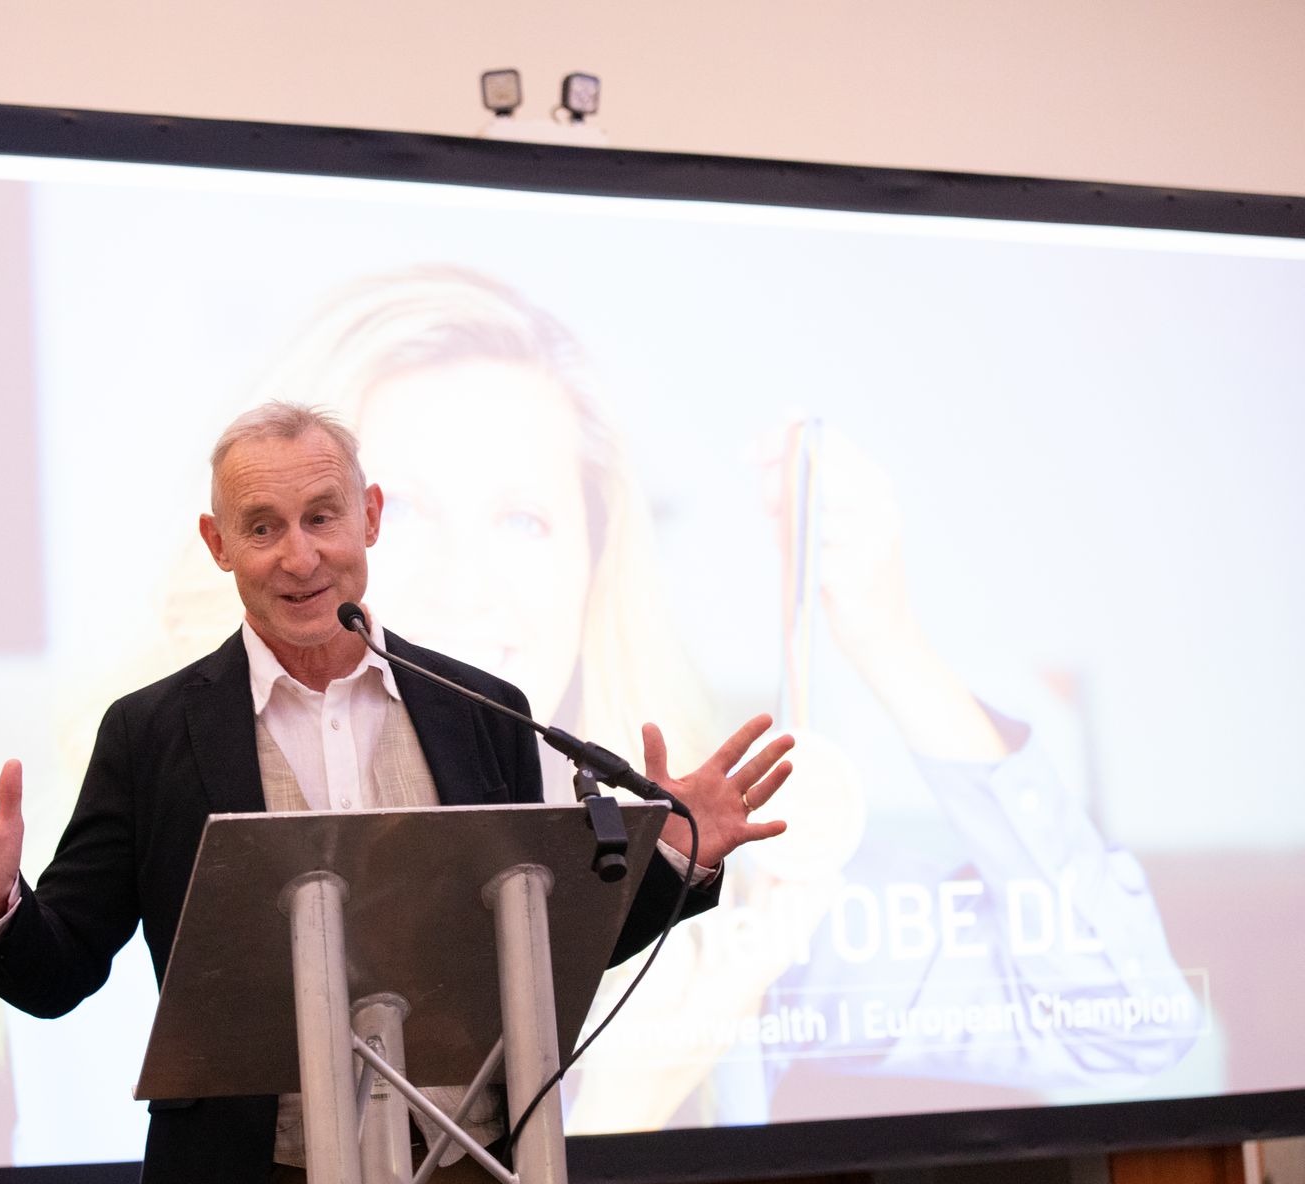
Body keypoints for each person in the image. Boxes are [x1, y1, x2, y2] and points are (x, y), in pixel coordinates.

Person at [202, 265, 1200, 1131]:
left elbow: (1124, 1022)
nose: (469, 584)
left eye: (523, 521)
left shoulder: (699, 873)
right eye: (412, 512)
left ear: (594, 565)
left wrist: (891, 642)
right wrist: (640, 1083)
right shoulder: (212, 821)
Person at [0, 402, 795, 1184]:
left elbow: (541, 945)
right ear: (218, 545)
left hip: (471, 1183)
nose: (300, 556)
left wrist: (677, 855)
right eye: (263, 527)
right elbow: (61, 967)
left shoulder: (483, 712)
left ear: (370, 518)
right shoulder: (151, 734)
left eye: (323, 517)